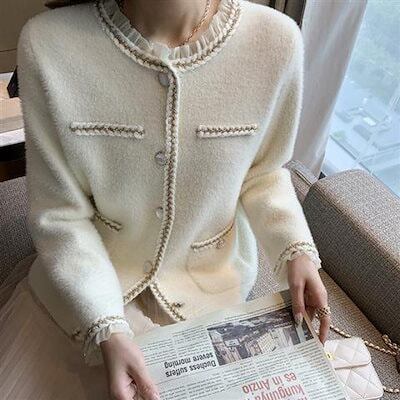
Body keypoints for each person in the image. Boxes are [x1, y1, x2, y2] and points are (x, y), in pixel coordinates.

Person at [0, 0, 331, 399]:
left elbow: (263, 172)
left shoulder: (276, 41)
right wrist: (106, 326)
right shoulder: (47, 43)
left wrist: (294, 251)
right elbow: (59, 214)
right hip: (83, 297)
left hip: (209, 297)